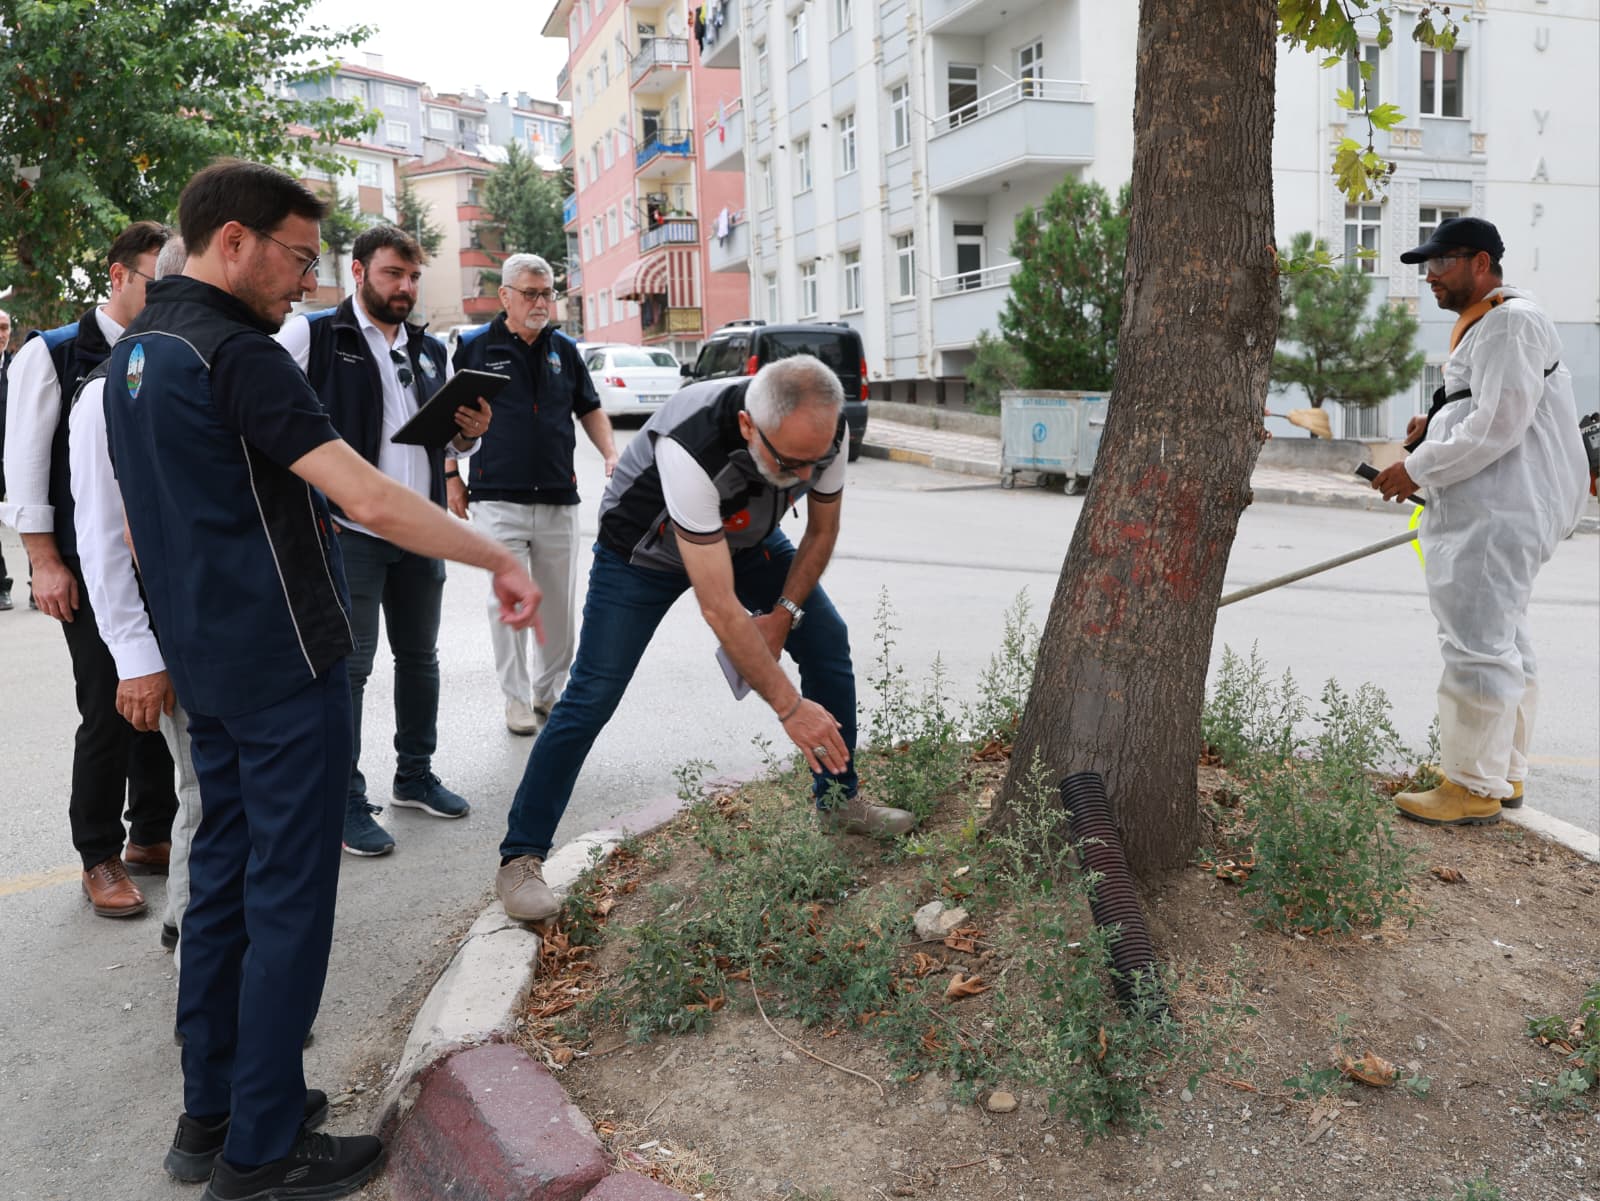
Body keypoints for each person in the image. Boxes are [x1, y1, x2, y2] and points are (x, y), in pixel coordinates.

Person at [100, 159, 542, 1200]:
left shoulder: (137, 352)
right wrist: (495, 555)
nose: (307, 280)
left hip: (208, 660)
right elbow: (369, 499)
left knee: (222, 885)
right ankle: (262, 1149)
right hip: (284, 661)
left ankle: (211, 1112)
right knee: (289, 898)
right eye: (298, 257)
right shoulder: (239, 354)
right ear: (233, 241)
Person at [493, 356, 915, 925]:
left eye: (814, 463)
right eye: (790, 463)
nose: (805, 475)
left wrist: (784, 615)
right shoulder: (690, 444)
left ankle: (838, 799)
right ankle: (520, 857)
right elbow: (718, 606)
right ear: (747, 426)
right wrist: (790, 707)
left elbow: (821, 530)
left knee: (825, 637)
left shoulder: (823, 431)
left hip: (746, 540)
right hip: (641, 552)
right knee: (592, 695)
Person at [278, 224, 490, 857]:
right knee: (350, 671)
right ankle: (342, 799)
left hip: (419, 528)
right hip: (350, 532)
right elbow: (267, 415)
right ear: (359, 271)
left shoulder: (430, 350)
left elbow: (445, 442)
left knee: (420, 658)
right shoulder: (314, 335)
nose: (405, 287)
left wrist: (469, 433)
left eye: (414, 276)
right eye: (393, 273)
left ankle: (414, 775)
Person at [1373, 217, 1589, 826]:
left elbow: (1499, 425)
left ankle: (1471, 785)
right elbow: (1488, 406)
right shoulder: (1496, 322)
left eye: (1442, 263)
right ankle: (1501, 771)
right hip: (1497, 507)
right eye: (1427, 267)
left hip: (1497, 512)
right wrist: (1436, 420)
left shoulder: (1510, 322)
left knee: (1476, 646)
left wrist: (1416, 468)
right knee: (1504, 642)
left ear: (1482, 263)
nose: (1430, 277)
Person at [0, 222, 179, 917]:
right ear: (117, 276)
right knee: (108, 703)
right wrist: (44, 561)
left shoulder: (162, 349)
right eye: (156, 283)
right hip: (85, 562)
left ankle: (152, 833)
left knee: (161, 696)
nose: (167, 297)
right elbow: (23, 467)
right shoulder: (51, 353)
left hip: (159, 558)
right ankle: (98, 852)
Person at [69, 236, 200, 957]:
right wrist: (135, 653)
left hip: (209, 613)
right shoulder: (99, 381)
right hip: (138, 607)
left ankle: (158, 850)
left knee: (192, 778)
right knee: (114, 721)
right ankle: (113, 862)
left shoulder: (206, 364)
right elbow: (96, 529)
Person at [447, 253, 617, 736]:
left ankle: (547, 691)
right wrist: (450, 474)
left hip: (559, 497)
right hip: (496, 497)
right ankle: (516, 700)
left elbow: (589, 408)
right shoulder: (475, 347)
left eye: (547, 293)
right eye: (530, 293)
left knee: (558, 609)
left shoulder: (564, 349)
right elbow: (448, 414)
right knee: (507, 603)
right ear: (505, 296)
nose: (541, 302)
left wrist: (611, 452)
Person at [0, 306, 13, 610]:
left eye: (4, 327)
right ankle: (1, 586)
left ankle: (39, 581)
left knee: (33, 517)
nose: (1, 334)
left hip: (17, 458)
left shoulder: (19, 368)